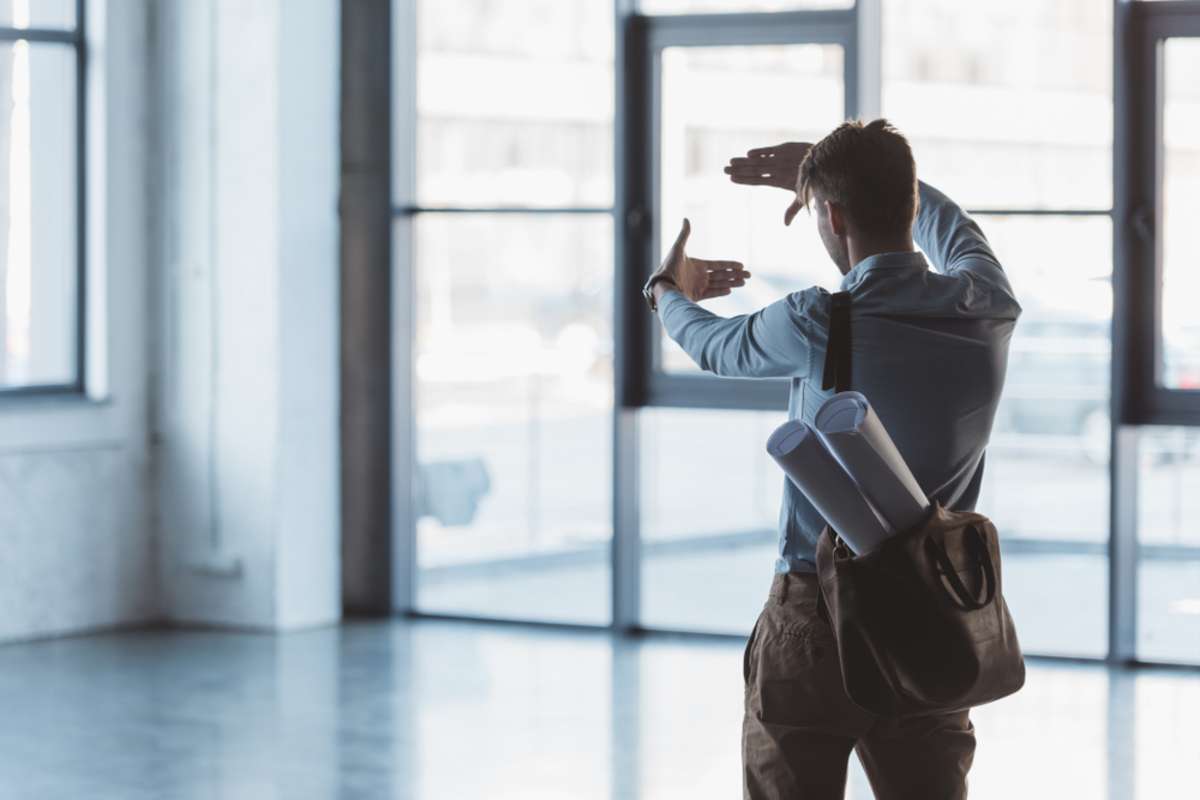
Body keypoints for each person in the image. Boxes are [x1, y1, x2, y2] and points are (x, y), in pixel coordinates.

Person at [641, 119, 1022, 799]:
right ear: (908, 203)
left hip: (814, 610)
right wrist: (858, 182)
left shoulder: (820, 318)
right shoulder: (988, 303)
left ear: (832, 215)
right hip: (936, 608)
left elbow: (710, 344)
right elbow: (953, 225)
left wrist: (666, 290)